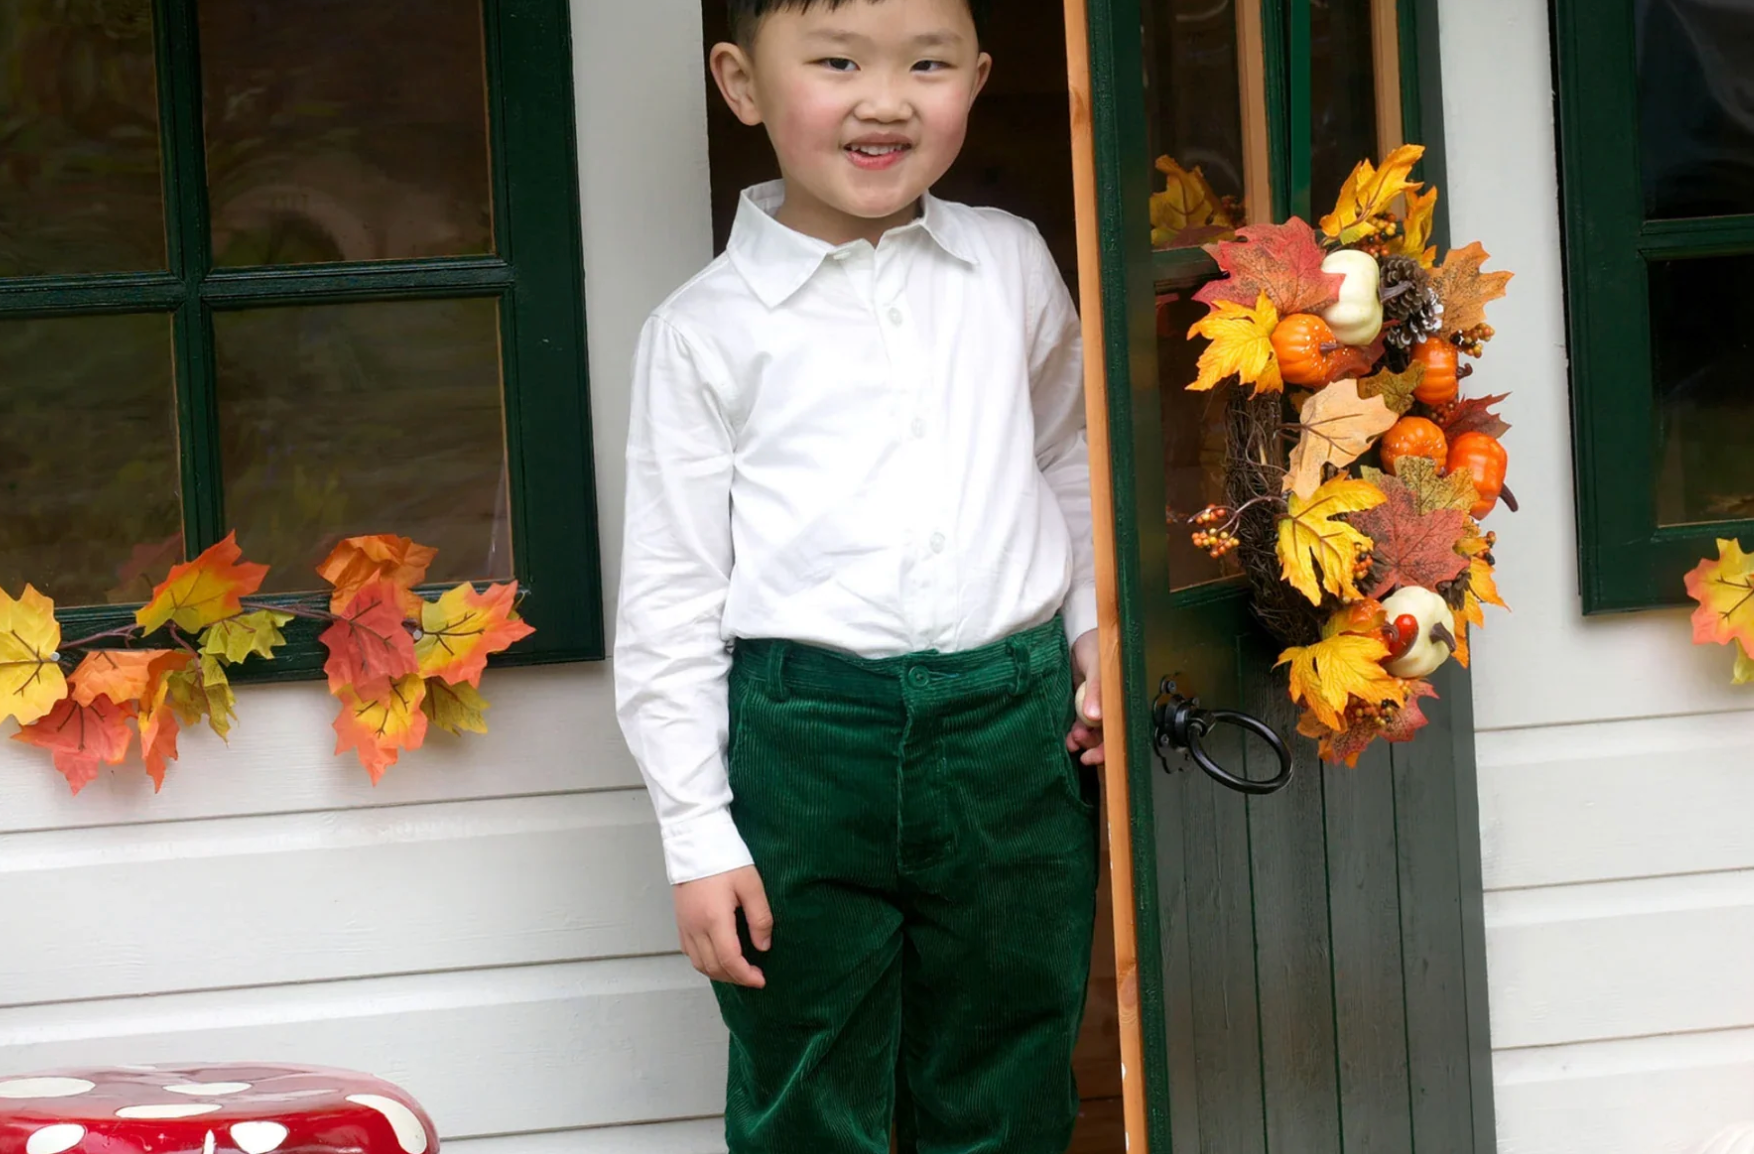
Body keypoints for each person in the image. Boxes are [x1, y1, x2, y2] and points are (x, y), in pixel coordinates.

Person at [614, 0, 1105, 1148]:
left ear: (975, 80)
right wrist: (698, 833)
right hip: (805, 738)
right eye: (837, 63)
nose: (885, 99)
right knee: (811, 1086)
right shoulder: (704, 331)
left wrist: (1092, 634)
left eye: (925, 65)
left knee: (1006, 1070)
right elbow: (671, 597)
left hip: (1009, 728)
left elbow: (1061, 455)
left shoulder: (1008, 263)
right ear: (740, 83)